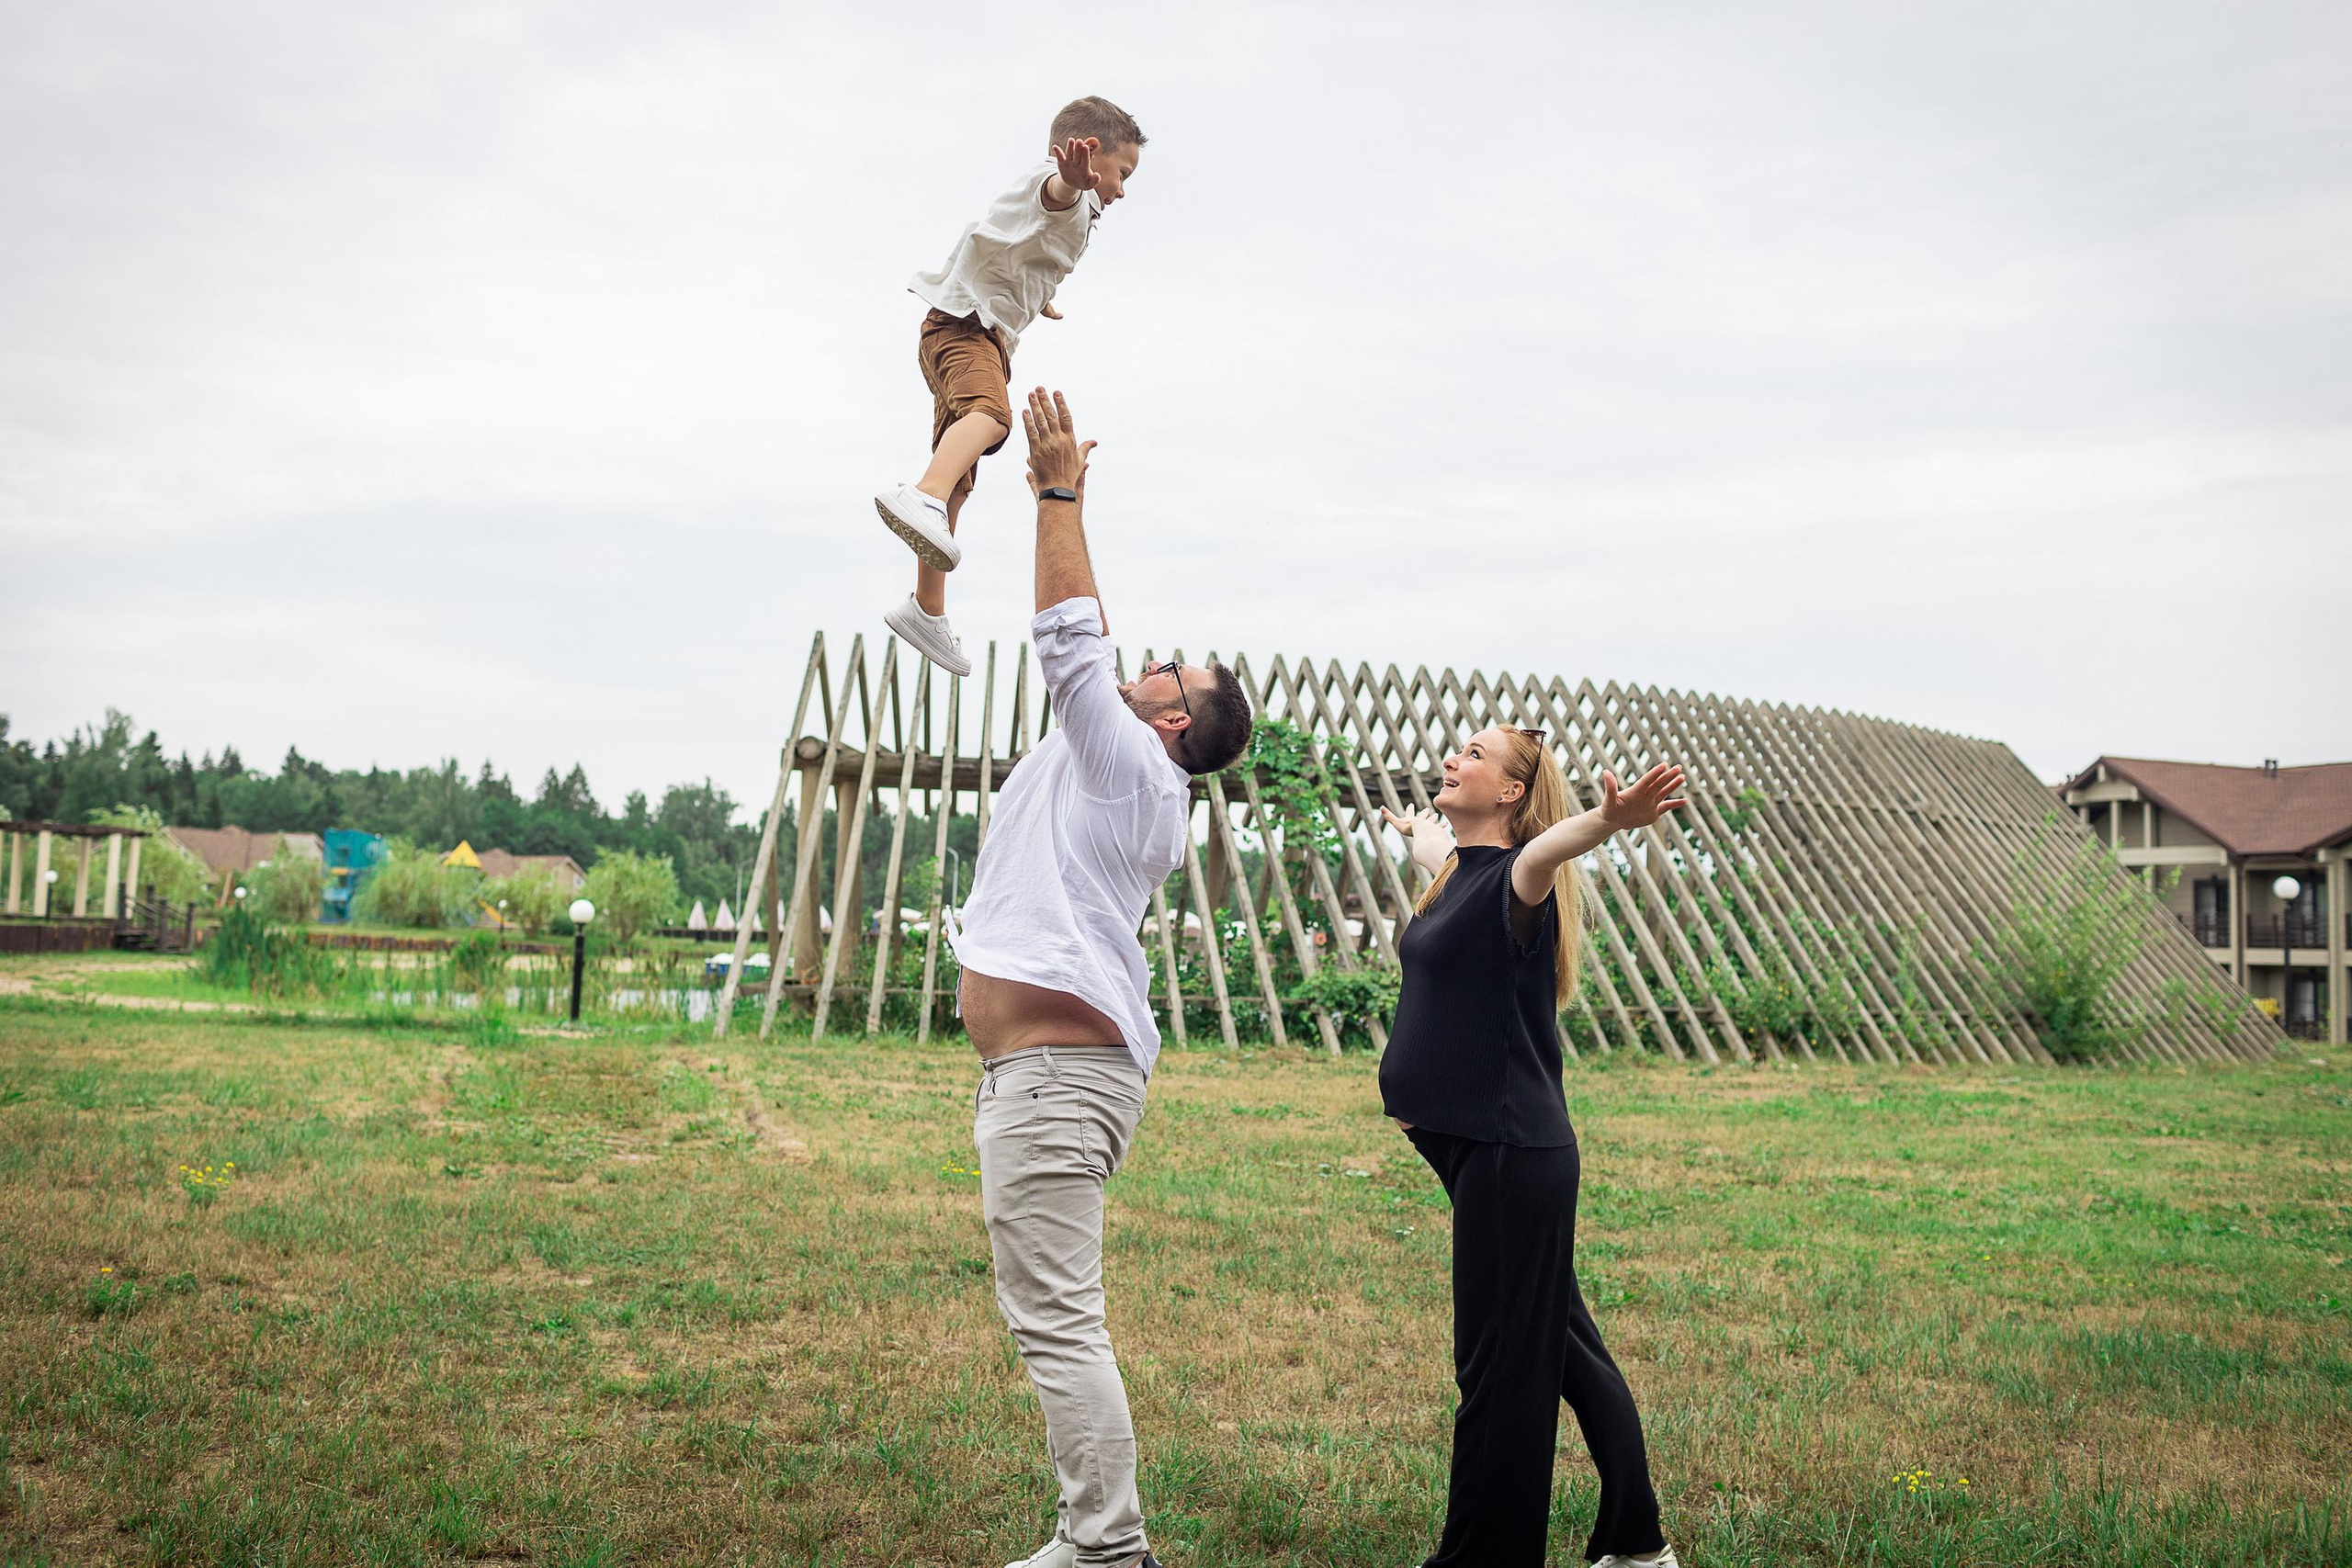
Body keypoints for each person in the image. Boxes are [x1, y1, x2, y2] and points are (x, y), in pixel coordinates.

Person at [950, 387, 1253, 1568]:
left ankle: (1107, 1548)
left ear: (1177, 724)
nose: (1150, 661)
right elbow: (1077, 649)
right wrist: (1029, 499)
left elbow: (1072, 640)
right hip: (1047, 1076)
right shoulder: (1106, 762)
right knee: (1054, 1321)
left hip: (1058, 1078)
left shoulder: (1135, 770)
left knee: (1060, 1326)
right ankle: (1096, 1539)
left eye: (1170, 666)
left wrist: (1065, 492)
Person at [1377, 730, 1690, 1568]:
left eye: (1473, 753)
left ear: (1512, 793)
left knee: (1496, 1371)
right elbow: (1439, 848)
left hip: (1512, 1152)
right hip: (1486, 1151)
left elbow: (1552, 844)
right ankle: (1637, 1541)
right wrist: (1414, 835)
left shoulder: (1521, 875)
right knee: (1560, 1349)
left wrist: (1607, 818)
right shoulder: (1455, 874)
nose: (1452, 758)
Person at [876, 96, 1148, 678]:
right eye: (1120, 174)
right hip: (965, 327)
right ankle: (920, 494)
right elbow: (1053, 196)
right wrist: (1070, 181)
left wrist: (1038, 295)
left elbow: (1023, 249)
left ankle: (927, 607)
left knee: (961, 477)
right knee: (990, 417)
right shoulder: (1059, 188)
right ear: (1087, 154)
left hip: (980, 333)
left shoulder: (1075, 215)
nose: (1122, 191)